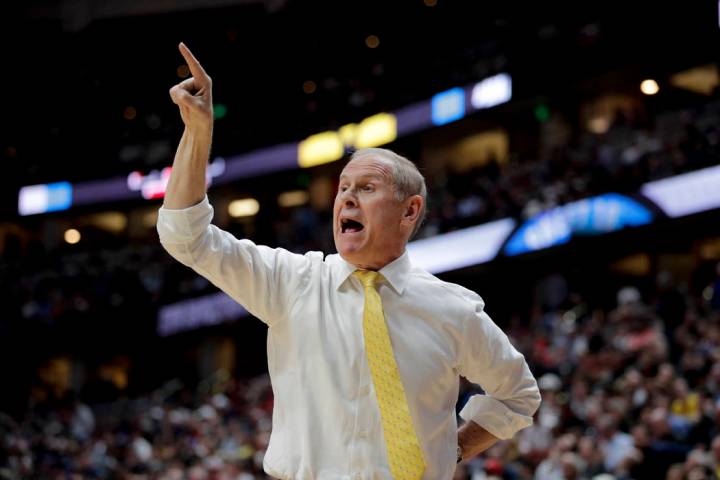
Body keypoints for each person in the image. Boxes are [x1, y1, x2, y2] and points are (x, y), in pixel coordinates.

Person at [157, 42, 540, 480]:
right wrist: (197, 133)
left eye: (367, 188)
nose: (347, 198)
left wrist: (451, 451)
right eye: (343, 188)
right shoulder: (292, 281)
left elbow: (518, 395)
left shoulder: (453, 308)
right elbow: (185, 237)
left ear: (410, 210)